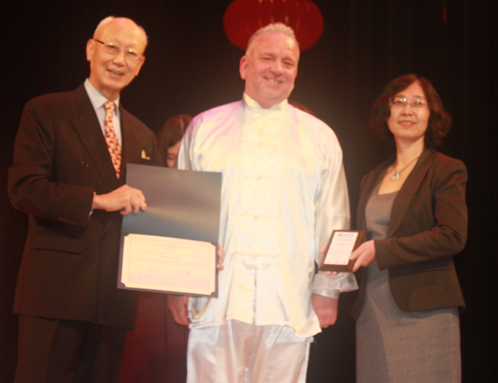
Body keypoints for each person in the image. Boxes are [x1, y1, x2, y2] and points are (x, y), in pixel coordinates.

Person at [170, 22, 357, 383]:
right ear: (244, 66)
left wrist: (328, 290)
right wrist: (179, 284)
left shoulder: (320, 136)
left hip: (289, 298)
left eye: (288, 62)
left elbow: (336, 221)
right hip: (217, 297)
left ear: (297, 72)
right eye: (268, 58)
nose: (277, 68)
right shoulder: (204, 127)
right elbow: (182, 213)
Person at [8, 16, 157, 383]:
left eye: (131, 53)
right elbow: (25, 189)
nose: (119, 59)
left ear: (140, 66)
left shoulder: (143, 135)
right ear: (91, 49)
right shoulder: (45, 111)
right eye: (111, 47)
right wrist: (97, 200)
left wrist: (196, 252)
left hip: (113, 299)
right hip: (56, 292)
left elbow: (151, 216)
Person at [350, 74, 468, 382]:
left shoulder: (445, 169)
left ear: (432, 116)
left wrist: (381, 250)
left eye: (418, 103)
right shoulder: (371, 177)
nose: (407, 110)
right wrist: (339, 254)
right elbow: (368, 238)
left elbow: (452, 236)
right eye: (399, 102)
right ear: (386, 113)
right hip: (372, 309)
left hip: (423, 309)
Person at [118, 114, 193, 383]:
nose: (179, 166)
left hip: (196, 301)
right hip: (150, 302)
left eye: (185, 156)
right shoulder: (145, 191)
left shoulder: (210, 196)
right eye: (172, 158)